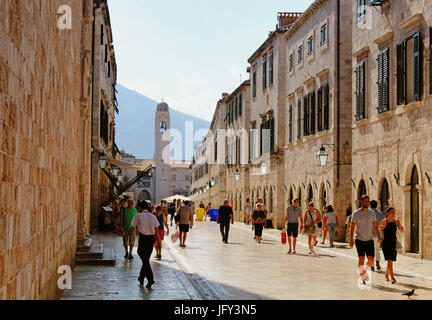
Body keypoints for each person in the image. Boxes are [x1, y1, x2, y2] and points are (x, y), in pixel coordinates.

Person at [349, 195, 381, 284]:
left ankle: (364, 271)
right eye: (365, 201)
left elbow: (375, 225)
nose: (366, 203)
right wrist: (351, 239)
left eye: (367, 201)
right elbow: (352, 227)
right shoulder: (356, 213)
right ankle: (362, 275)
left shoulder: (372, 213)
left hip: (369, 239)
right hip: (359, 240)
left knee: (371, 260)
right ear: (361, 202)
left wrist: (378, 236)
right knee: (361, 259)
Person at [131, 200, 160, 288]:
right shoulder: (153, 216)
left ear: (140, 207)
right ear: (147, 207)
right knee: (146, 259)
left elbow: (132, 227)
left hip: (143, 239)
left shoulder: (138, 216)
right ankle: (141, 277)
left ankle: (150, 279)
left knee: (144, 259)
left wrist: (125, 233)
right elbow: (157, 230)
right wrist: (158, 242)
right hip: (150, 239)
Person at [380, 207, 404, 284]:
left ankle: (386, 275)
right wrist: (381, 229)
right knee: (389, 259)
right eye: (392, 212)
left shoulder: (396, 222)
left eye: (394, 212)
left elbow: (400, 228)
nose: (393, 214)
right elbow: (378, 230)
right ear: (388, 213)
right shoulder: (384, 222)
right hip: (386, 243)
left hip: (393, 242)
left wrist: (401, 228)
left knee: (390, 260)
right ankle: (392, 277)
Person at [370, 200, 386, 271]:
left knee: (370, 250)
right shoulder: (381, 214)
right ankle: (377, 263)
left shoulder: (368, 213)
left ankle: (372, 265)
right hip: (378, 234)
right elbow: (384, 224)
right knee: (377, 249)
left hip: (369, 235)